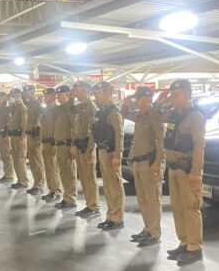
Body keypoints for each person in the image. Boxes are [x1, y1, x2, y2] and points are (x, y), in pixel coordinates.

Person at [154, 79, 206, 265]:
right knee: (178, 208)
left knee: (191, 208)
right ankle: (184, 242)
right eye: (172, 95)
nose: (173, 99)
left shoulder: (195, 116)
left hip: (187, 170)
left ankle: (195, 247)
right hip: (173, 168)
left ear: (186, 95)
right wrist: (159, 101)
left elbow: (199, 145)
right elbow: (156, 117)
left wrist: (196, 172)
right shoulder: (174, 114)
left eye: (176, 95)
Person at [122, 87, 165, 246]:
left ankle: (154, 233)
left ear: (147, 99)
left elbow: (161, 142)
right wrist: (126, 103)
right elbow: (124, 114)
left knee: (152, 199)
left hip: (150, 162)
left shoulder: (155, 116)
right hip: (139, 162)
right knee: (142, 198)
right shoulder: (140, 115)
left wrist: (157, 162)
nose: (136, 102)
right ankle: (147, 228)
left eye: (138, 98)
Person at [91, 81, 125, 230]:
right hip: (102, 150)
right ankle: (111, 216)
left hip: (111, 152)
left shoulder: (113, 111)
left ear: (107, 93)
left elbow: (119, 134)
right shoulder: (102, 111)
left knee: (115, 186)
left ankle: (117, 218)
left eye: (99, 93)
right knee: (108, 186)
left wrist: (118, 155)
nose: (97, 96)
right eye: (96, 94)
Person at [70, 81, 101, 219]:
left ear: (85, 91)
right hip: (79, 145)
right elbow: (70, 114)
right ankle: (89, 204)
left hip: (87, 146)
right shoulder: (80, 106)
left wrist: (90, 150)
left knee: (90, 178)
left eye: (78, 91)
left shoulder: (91, 107)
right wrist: (73, 144)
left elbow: (93, 131)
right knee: (83, 177)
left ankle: (94, 206)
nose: (76, 93)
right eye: (75, 91)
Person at [53, 85, 77, 210]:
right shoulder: (60, 109)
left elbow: (74, 128)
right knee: (63, 173)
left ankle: (71, 199)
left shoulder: (71, 109)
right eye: (57, 95)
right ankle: (66, 197)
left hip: (67, 145)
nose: (58, 97)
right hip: (59, 145)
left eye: (60, 95)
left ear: (67, 95)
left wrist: (73, 144)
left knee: (70, 173)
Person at [39, 87, 62, 202]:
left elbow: (59, 126)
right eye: (44, 96)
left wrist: (56, 140)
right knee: (48, 167)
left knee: (53, 168)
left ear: (54, 96)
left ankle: (56, 191)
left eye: (47, 96)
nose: (45, 98)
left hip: (53, 142)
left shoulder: (57, 109)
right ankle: (51, 190)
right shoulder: (46, 110)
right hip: (45, 142)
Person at [21, 84, 45, 196]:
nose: (26, 95)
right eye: (25, 93)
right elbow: (22, 99)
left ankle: (39, 185)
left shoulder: (37, 103)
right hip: (29, 135)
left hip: (35, 136)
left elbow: (42, 117)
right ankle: (36, 184)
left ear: (32, 93)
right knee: (32, 161)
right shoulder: (29, 104)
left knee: (37, 161)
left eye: (27, 93)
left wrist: (38, 101)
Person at [7, 88, 29, 190]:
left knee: (20, 160)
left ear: (19, 96)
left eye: (15, 96)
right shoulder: (14, 108)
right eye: (12, 96)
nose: (13, 98)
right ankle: (19, 180)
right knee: (15, 160)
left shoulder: (23, 108)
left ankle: (23, 182)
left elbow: (25, 124)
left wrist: (23, 138)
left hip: (19, 137)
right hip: (13, 137)